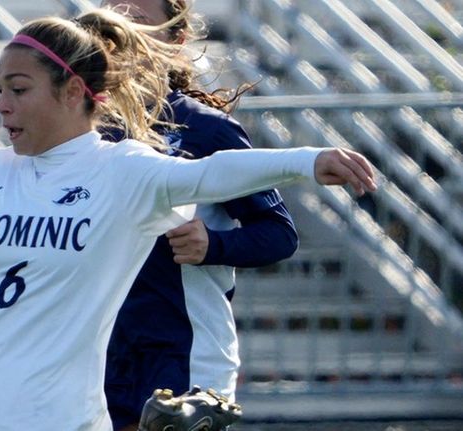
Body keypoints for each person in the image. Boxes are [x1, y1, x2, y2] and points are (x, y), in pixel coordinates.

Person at [0, 7, 377, 431]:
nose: (1, 105)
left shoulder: (124, 170)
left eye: (18, 89)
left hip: (62, 416)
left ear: (73, 91)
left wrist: (308, 161)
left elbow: (213, 173)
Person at [100, 1, 297, 429]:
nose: (125, 35)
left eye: (140, 24)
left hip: (184, 353)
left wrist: (214, 244)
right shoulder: (87, 129)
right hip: (101, 350)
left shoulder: (207, 129)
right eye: (116, 22)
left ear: (177, 40)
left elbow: (280, 234)